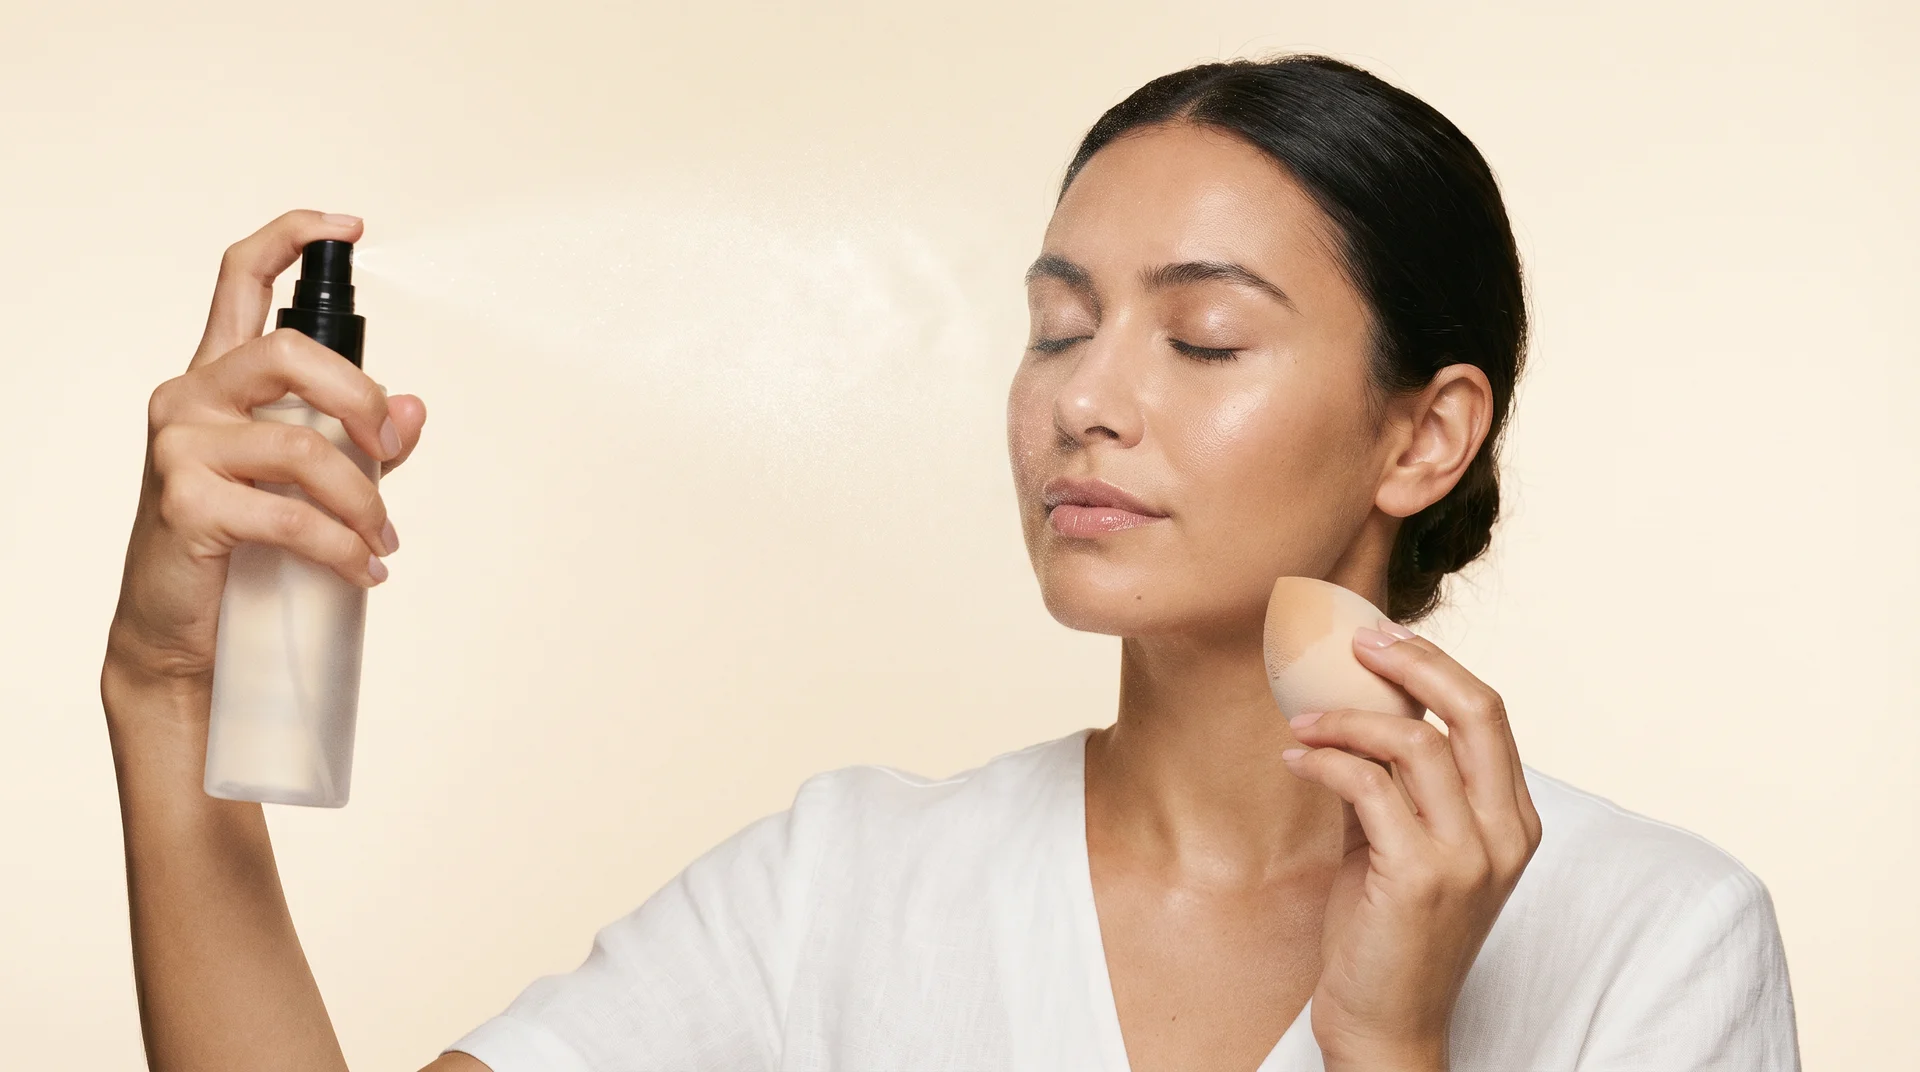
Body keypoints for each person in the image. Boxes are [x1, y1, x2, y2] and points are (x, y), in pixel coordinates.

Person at [101, 54, 1799, 1071]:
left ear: (1424, 437)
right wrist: (166, 696)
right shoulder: (844, 887)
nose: (1087, 401)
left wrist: (1391, 1048)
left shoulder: (1651, 941)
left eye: (1203, 338)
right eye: (1058, 328)